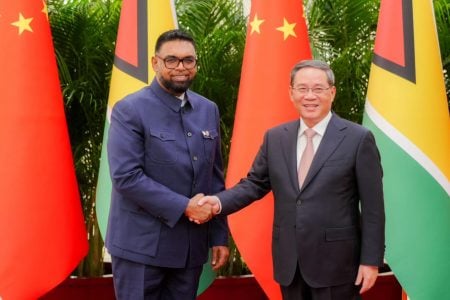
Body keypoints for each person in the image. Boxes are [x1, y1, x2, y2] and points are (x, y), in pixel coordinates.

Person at [197, 60, 385, 300]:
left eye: (318, 89)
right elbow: (253, 185)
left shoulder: (358, 139)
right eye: (302, 88)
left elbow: (373, 209)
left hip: (338, 265)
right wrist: (217, 202)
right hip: (290, 263)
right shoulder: (276, 138)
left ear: (332, 92)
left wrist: (370, 261)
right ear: (291, 92)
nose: (309, 96)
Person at [105, 29, 229, 300]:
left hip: (189, 249)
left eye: (188, 60)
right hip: (141, 248)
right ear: (155, 63)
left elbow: (214, 177)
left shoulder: (208, 109)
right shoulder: (130, 109)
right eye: (171, 60)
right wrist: (185, 207)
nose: (180, 68)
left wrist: (219, 235)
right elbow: (127, 176)